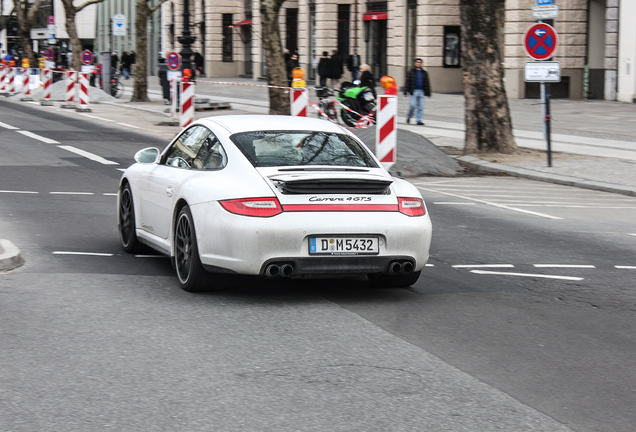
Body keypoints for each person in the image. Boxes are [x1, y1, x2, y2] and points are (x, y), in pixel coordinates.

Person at [404, 58, 431, 125]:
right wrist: (406, 91)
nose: (419, 63)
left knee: (420, 107)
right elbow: (407, 82)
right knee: (412, 105)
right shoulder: (411, 72)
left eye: (420, 62)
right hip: (414, 91)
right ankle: (409, 116)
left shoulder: (424, 73)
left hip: (421, 91)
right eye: (417, 62)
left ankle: (419, 120)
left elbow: (427, 83)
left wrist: (428, 92)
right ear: (415, 63)